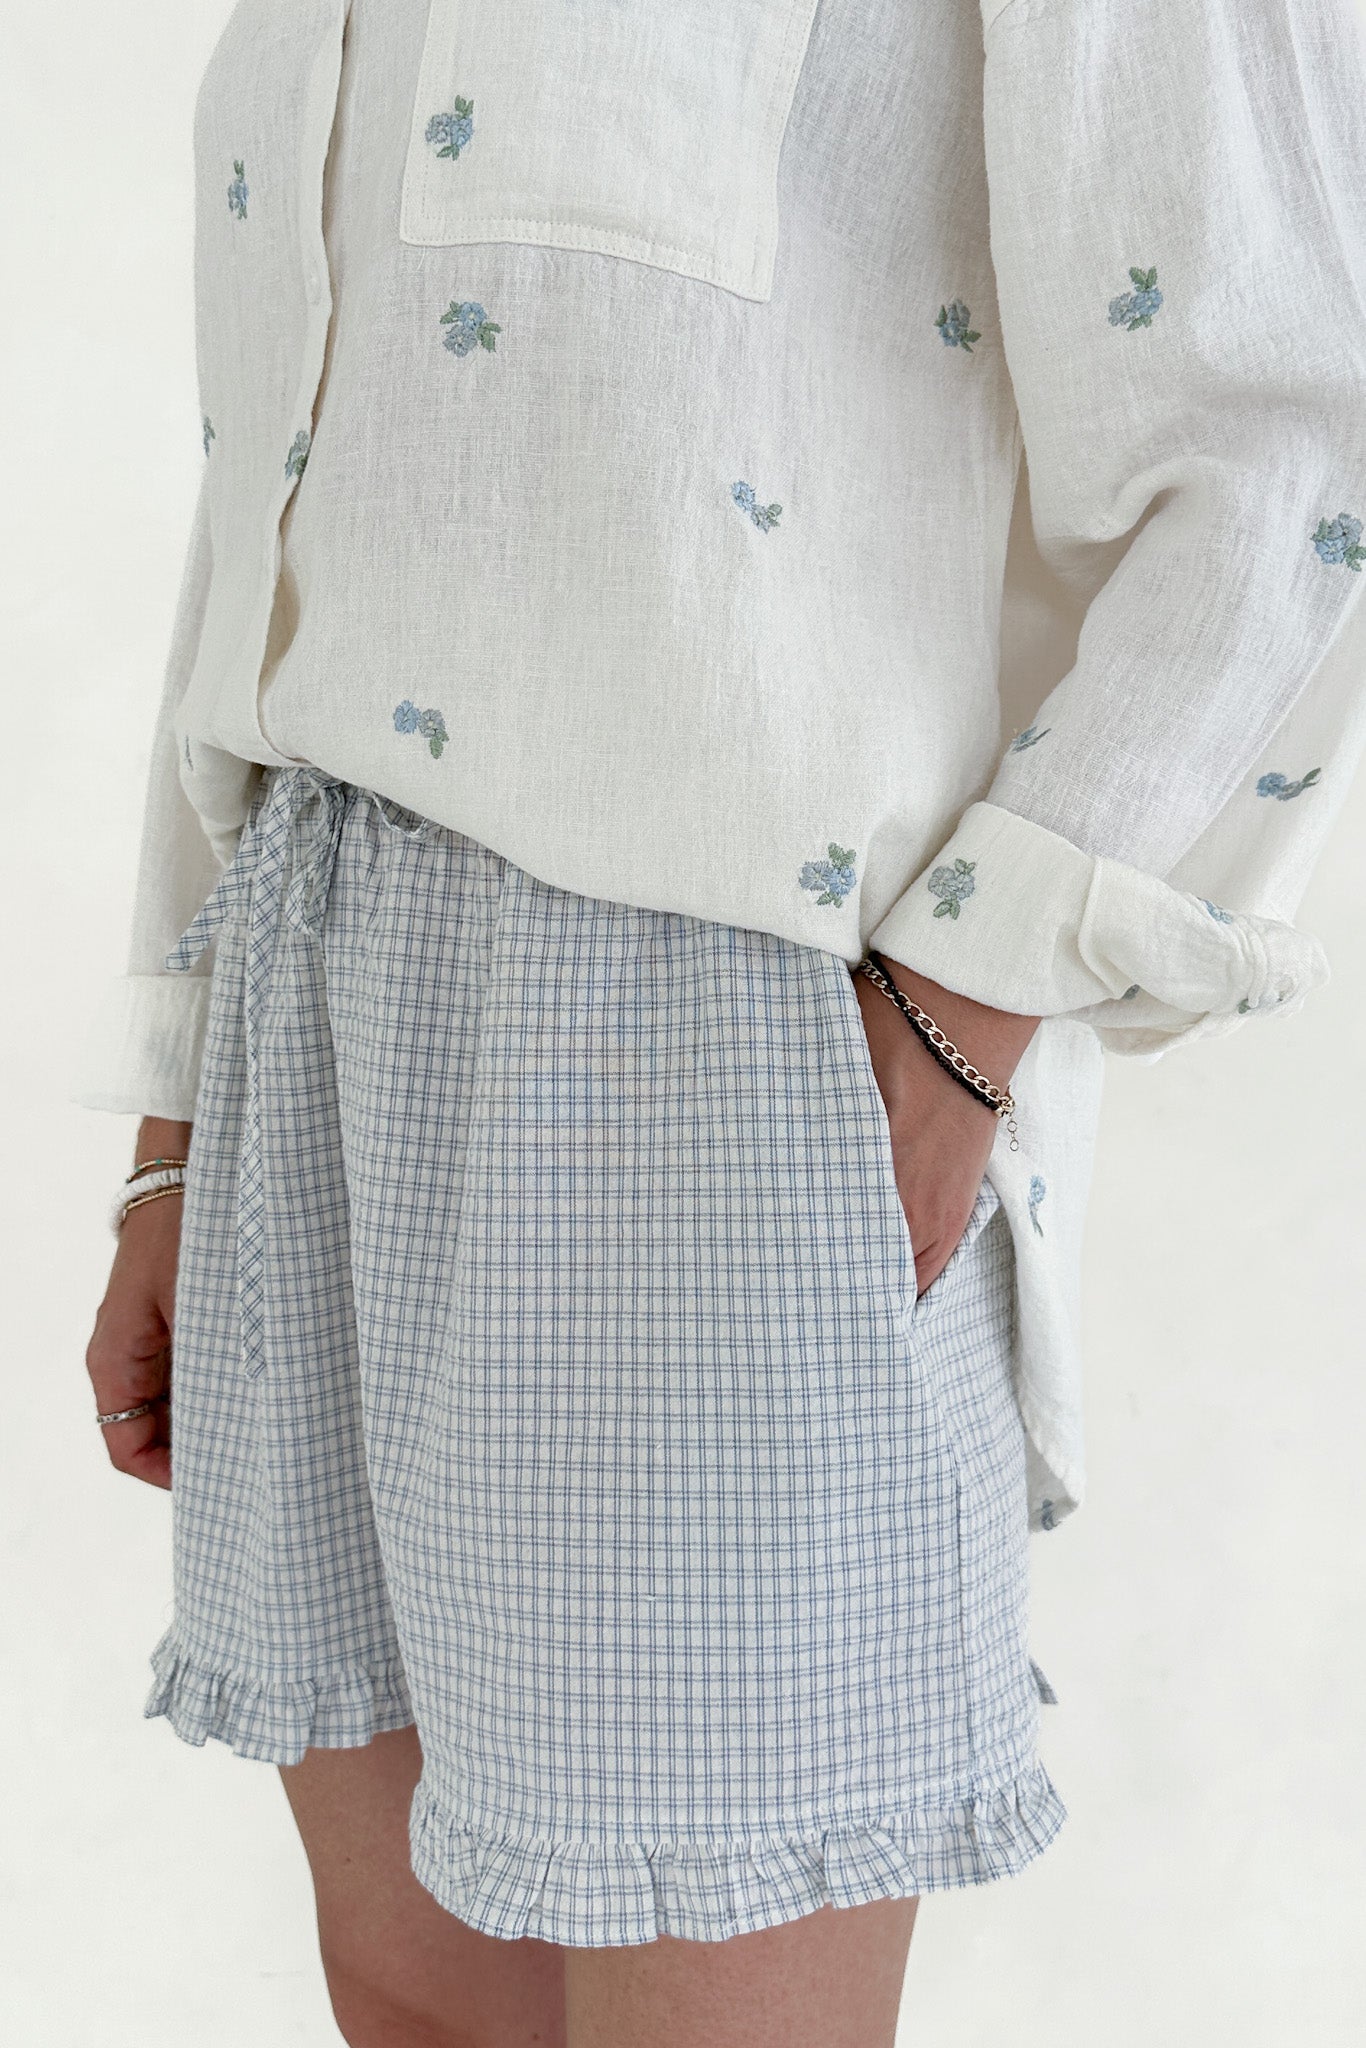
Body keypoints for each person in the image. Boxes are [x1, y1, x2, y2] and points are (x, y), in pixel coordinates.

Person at [76, 2, 1366, 2043]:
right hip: (313, 997)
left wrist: (961, 1008)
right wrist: (175, 1116)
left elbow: (1293, 442)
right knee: (416, 1998)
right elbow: (273, 490)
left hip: (710, 1044)